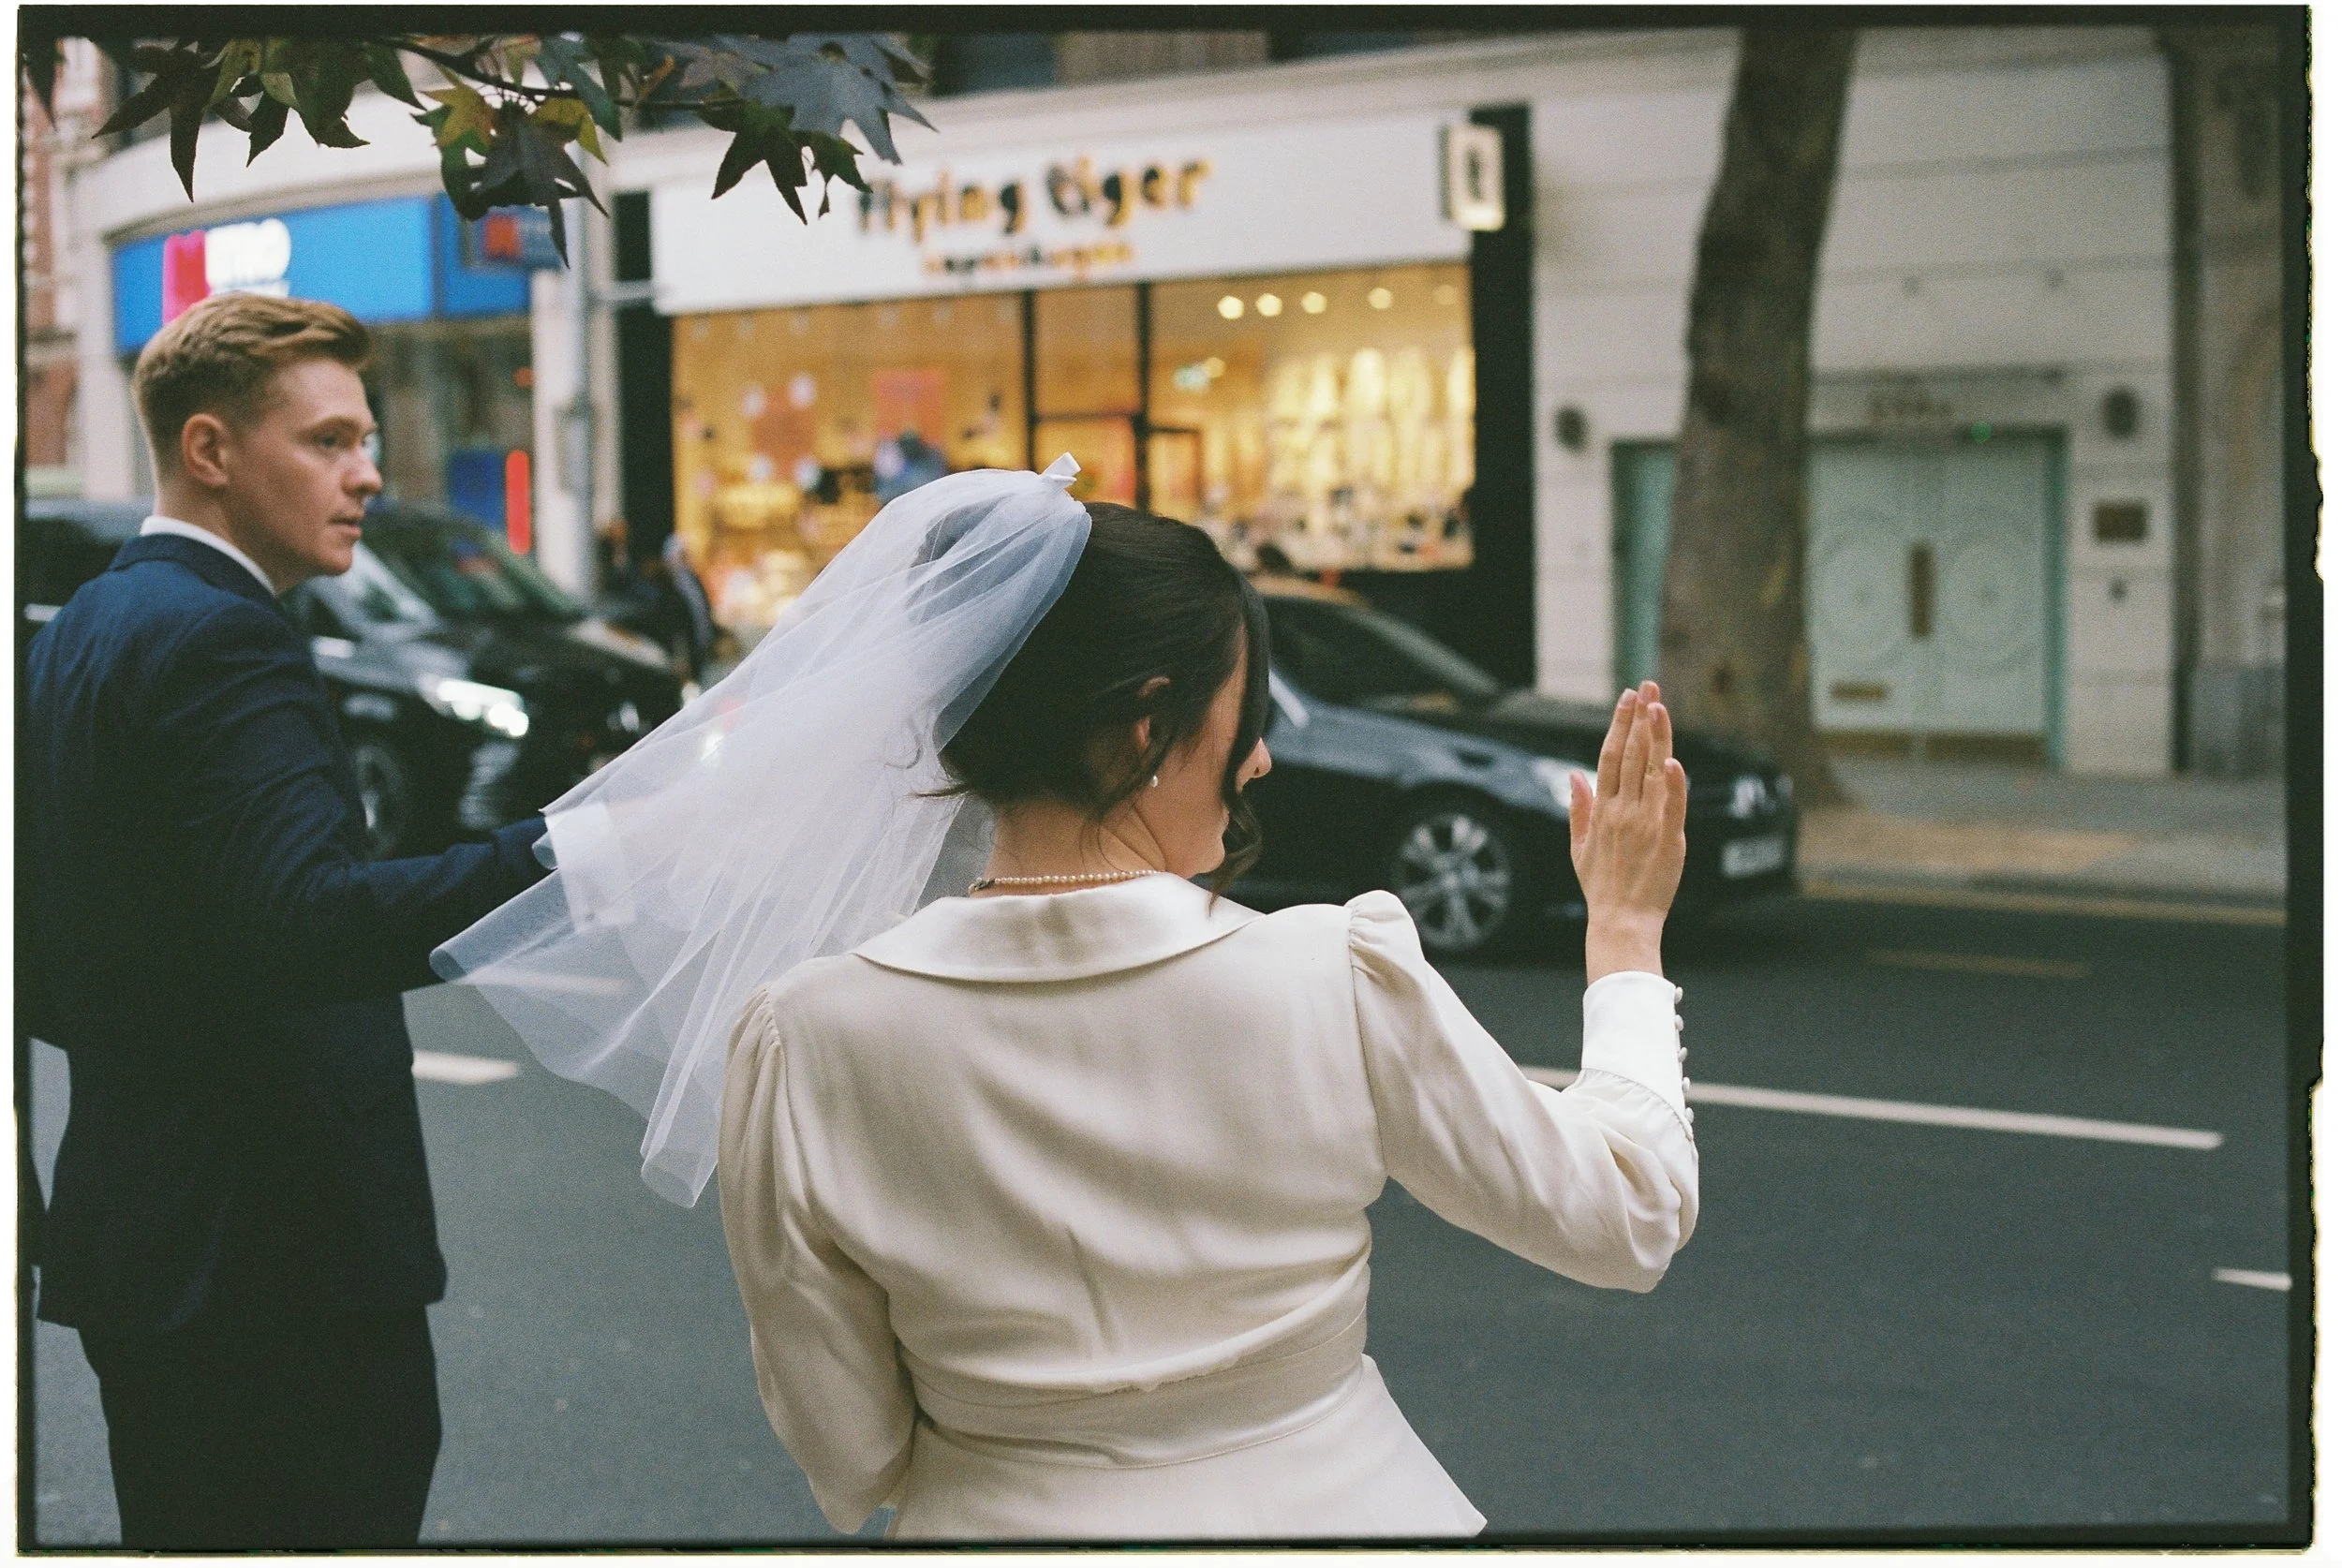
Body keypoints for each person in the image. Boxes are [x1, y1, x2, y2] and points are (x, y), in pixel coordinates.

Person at [433, 462, 1695, 1540]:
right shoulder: (1337, 971)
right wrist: (1625, 933)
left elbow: (851, 1453)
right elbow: (1627, 1213)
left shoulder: (805, 1037)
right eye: (1241, 713)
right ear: (1147, 726)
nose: (1258, 753)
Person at [22, 292, 554, 1550]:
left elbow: (45, 949)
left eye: (366, 438)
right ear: (209, 450)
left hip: (149, 1244)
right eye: (327, 440)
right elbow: (307, 925)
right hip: (279, 1264)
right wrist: (565, 853)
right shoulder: (224, 635)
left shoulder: (86, 625)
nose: (368, 473)